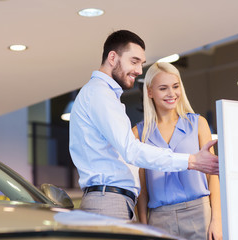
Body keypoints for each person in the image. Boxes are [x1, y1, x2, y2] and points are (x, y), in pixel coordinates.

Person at [69, 29, 219, 221]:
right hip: (108, 203)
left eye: (141, 64)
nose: (139, 71)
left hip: (114, 201)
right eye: (134, 61)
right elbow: (132, 151)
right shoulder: (100, 94)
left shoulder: (103, 95)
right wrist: (191, 161)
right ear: (113, 57)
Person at [133, 62, 222, 239]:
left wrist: (217, 220)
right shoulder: (138, 133)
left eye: (175, 86)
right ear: (150, 92)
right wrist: (143, 228)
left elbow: (213, 176)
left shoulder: (198, 124)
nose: (171, 93)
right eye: (163, 88)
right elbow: (141, 190)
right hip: (159, 219)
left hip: (199, 213)